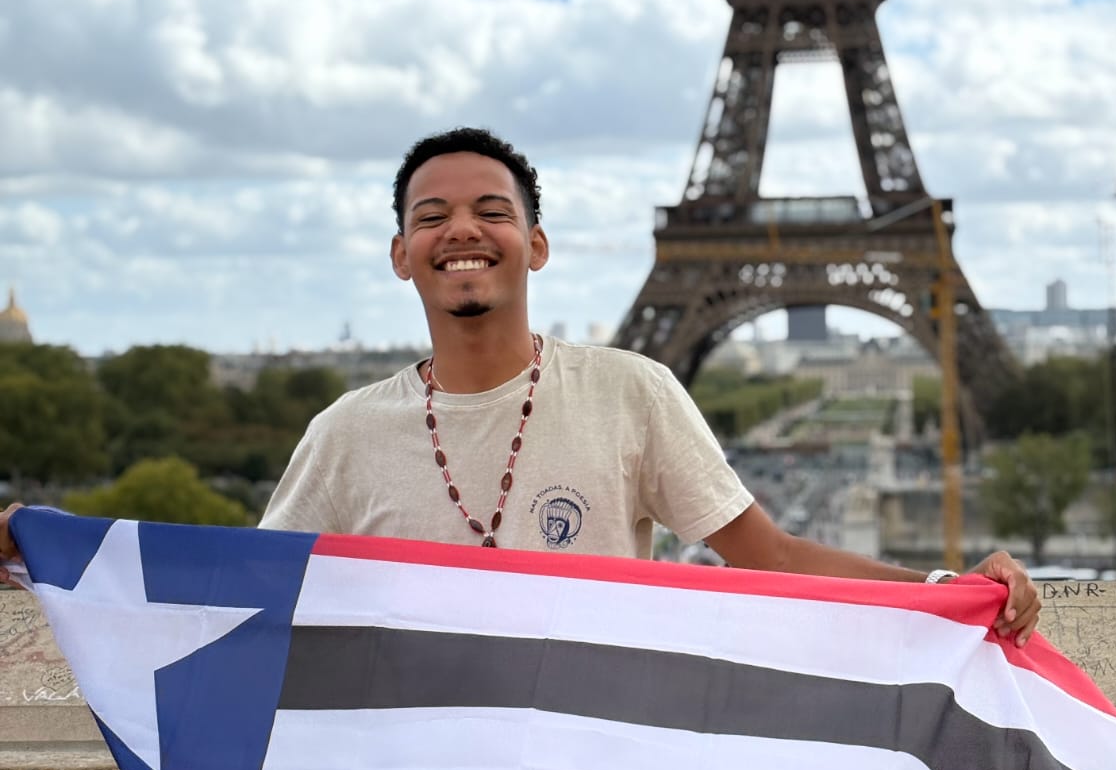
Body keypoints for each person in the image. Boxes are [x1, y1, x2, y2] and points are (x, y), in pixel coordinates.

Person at [0, 126, 1040, 643]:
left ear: (534, 244)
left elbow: (766, 555)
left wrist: (945, 592)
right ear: (401, 255)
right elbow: (236, 602)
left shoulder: (629, 391)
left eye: (490, 209)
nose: (462, 228)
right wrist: (46, 558)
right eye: (431, 214)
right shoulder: (346, 431)